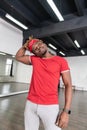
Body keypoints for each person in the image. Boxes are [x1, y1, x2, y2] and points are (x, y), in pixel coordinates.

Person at [15, 36, 72, 130]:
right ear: (35, 53)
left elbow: (68, 85)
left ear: (43, 42)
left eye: (38, 44)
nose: (37, 47)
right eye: (35, 49)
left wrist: (66, 111)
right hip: (30, 104)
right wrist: (25, 46)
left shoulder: (61, 61)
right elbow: (18, 57)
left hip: (50, 106)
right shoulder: (34, 59)